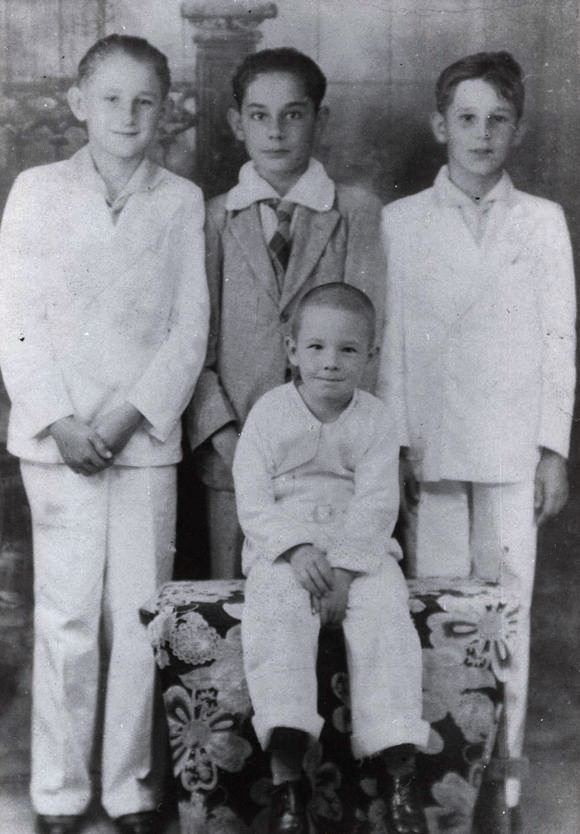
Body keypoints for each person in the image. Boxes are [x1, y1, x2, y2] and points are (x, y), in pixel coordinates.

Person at [0, 34, 209, 834]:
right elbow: (16, 320)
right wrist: (61, 420)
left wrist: (125, 420)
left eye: (145, 100)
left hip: (142, 441)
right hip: (59, 445)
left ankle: (128, 787)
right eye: (112, 98)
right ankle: (57, 789)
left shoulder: (180, 200)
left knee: (137, 616)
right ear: (78, 103)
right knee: (65, 618)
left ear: (166, 112)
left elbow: (189, 332)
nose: (128, 114)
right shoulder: (37, 191)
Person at [378, 51, 576, 825]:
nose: (481, 134)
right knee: (436, 614)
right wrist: (396, 446)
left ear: (516, 130)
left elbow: (561, 339)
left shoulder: (543, 222)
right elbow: (391, 346)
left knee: (509, 617)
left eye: (497, 119)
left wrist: (552, 450)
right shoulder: (401, 223)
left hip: (510, 453)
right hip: (431, 452)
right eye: (466, 118)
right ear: (440, 126)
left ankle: (506, 780)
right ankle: (443, 778)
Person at [233, 283, 429, 834]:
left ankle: (398, 775)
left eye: (348, 350)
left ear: (371, 355)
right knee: (275, 613)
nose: (330, 363)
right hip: (285, 551)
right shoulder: (269, 413)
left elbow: (375, 503)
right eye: (315, 347)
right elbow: (252, 497)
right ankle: (287, 777)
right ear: (292, 350)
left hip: (357, 552)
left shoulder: (376, 418)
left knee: (386, 613)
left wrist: (344, 569)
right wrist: (293, 549)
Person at [187, 47, 386, 578]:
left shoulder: (355, 213)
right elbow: (197, 348)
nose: (275, 130)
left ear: (320, 120)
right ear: (237, 123)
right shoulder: (213, 219)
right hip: (233, 460)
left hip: (331, 464)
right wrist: (228, 440)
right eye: (259, 115)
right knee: (236, 610)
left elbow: (370, 342)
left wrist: (338, 444)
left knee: (334, 597)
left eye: (293, 114)